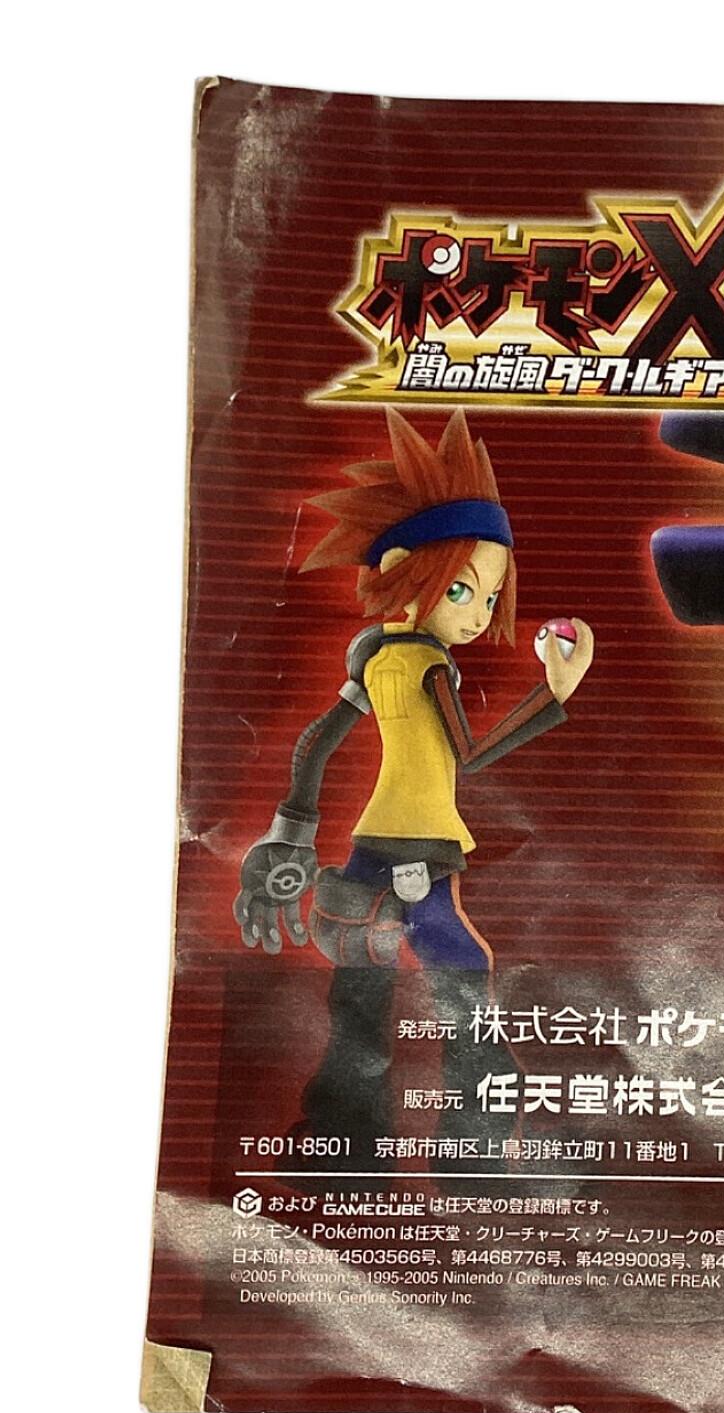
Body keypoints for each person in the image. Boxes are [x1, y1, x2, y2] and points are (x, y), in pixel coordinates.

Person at [233, 408, 594, 1173]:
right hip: (423, 851)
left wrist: (290, 833)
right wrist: (553, 694)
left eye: (489, 598)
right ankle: (473, 1152)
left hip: (372, 848)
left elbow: (319, 740)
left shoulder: (376, 658)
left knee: (361, 989)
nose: (479, 615)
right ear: (402, 569)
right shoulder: (426, 664)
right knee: (462, 988)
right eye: (462, 590)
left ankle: (345, 1148)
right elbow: (469, 752)